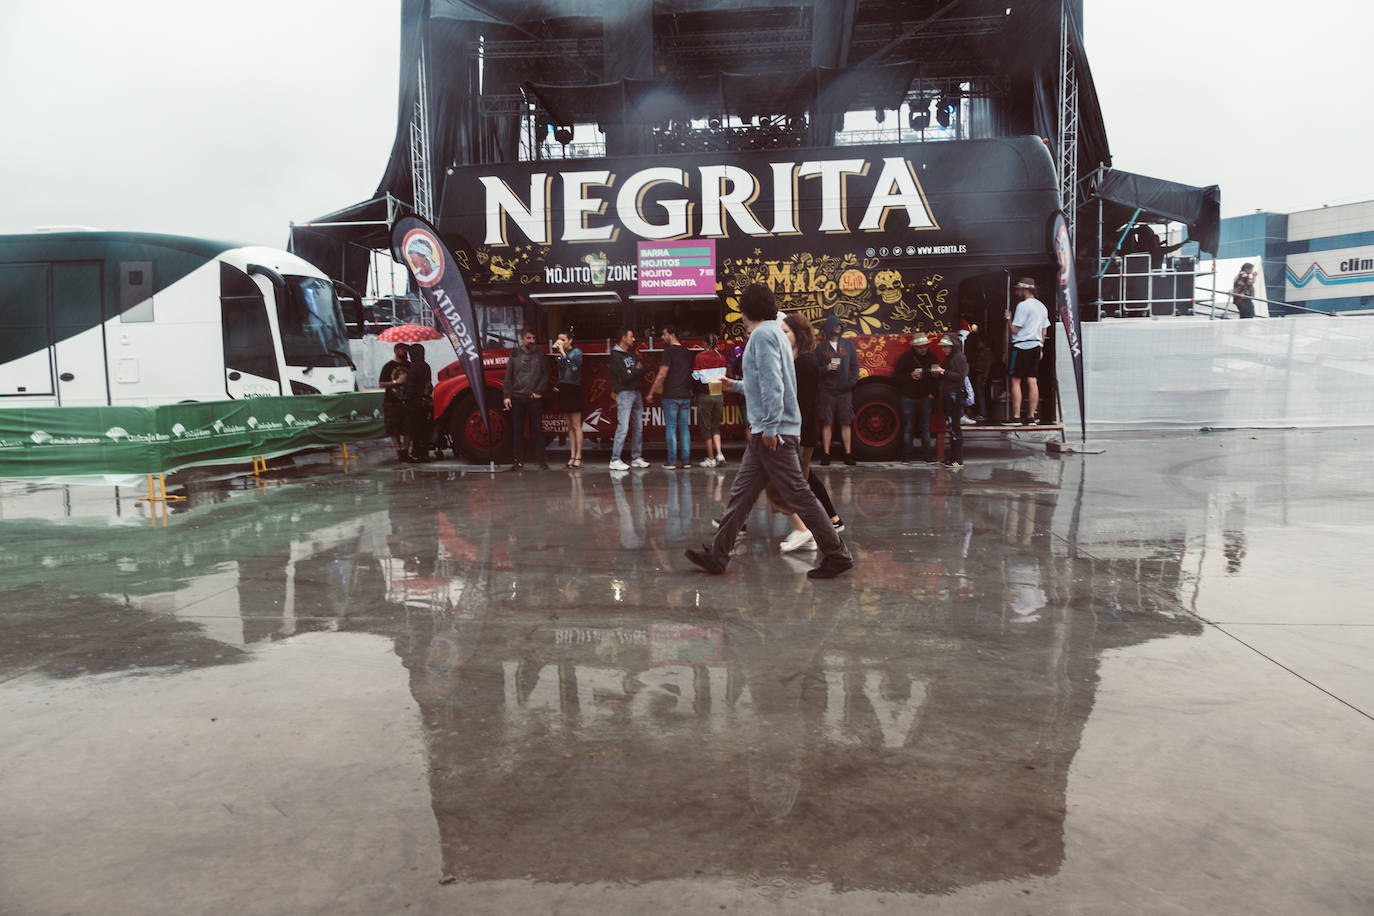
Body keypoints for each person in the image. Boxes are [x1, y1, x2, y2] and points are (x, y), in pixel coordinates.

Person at [685, 284, 853, 580]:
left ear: (745, 309)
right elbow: (767, 381)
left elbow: (774, 384)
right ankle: (717, 554)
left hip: (772, 432)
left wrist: (771, 427)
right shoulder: (775, 332)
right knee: (741, 495)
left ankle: (838, 554)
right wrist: (734, 385)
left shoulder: (762, 335)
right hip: (771, 429)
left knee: (799, 495)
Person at [648, 325, 695, 469]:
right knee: (684, 428)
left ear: (672, 335)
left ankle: (672, 461)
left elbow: (662, 374)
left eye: (664, 334)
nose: (662, 337)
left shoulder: (668, 352)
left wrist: (651, 392)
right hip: (685, 395)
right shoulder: (688, 353)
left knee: (671, 428)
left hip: (670, 395)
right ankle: (686, 461)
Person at [502, 329, 550, 470]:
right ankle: (517, 460)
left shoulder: (540, 354)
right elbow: (508, 376)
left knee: (538, 429)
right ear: (522, 339)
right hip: (517, 397)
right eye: (529, 338)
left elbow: (546, 374)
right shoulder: (515, 354)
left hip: (533, 397)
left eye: (533, 338)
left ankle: (541, 460)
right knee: (517, 430)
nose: (532, 341)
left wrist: (538, 391)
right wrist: (506, 396)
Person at [815, 315, 859, 466]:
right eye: (835, 325)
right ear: (829, 327)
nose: (839, 327)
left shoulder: (848, 345)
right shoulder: (820, 348)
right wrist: (826, 368)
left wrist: (852, 382)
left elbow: (855, 365)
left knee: (846, 422)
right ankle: (826, 454)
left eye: (840, 325)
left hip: (845, 390)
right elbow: (815, 370)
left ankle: (848, 454)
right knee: (827, 422)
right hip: (827, 391)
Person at [1006, 277, 1049, 425]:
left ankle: (1016, 417)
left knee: (1015, 380)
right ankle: (1031, 417)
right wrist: (1041, 348)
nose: (1017, 292)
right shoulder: (1042, 307)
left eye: (1018, 289)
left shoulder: (1023, 306)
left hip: (1021, 345)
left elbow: (1014, 329)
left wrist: (1008, 319)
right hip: (1036, 345)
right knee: (1032, 381)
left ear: (1025, 289)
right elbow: (1044, 331)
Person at [608, 327, 649, 471]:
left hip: (636, 392)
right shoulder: (614, 355)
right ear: (623, 338)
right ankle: (615, 459)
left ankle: (636, 457)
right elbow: (624, 377)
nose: (634, 339)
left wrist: (632, 371)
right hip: (624, 393)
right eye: (631, 337)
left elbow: (642, 370)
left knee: (638, 426)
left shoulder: (631, 353)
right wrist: (634, 371)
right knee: (623, 427)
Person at [893, 334, 938, 463]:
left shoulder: (932, 357)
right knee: (908, 427)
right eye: (920, 347)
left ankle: (927, 455)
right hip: (908, 397)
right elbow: (895, 377)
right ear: (914, 347)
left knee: (925, 427)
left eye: (925, 346)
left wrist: (932, 393)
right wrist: (910, 376)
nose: (923, 349)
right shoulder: (905, 358)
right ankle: (906, 456)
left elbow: (937, 380)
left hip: (925, 397)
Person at [932, 334, 968, 469]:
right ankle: (953, 458)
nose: (943, 350)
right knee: (951, 427)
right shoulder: (950, 358)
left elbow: (960, 377)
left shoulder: (959, 358)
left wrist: (943, 372)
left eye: (946, 347)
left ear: (952, 346)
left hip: (954, 395)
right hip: (948, 395)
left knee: (955, 428)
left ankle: (958, 460)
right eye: (943, 347)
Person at [692, 332, 728, 467]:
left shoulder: (699, 357)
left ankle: (711, 458)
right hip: (718, 395)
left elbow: (696, 377)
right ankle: (719, 454)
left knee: (706, 428)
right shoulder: (722, 357)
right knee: (715, 427)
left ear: (705, 343)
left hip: (705, 396)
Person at [553, 330, 584, 468]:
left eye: (563, 340)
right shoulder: (560, 355)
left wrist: (564, 354)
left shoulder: (577, 352)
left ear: (570, 340)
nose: (560, 342)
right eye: (559, 339)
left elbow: (574, 369)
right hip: (563, 389)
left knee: (577, 425)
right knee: (569, 426)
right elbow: (561, 371)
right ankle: (572, 455)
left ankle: (579, 456)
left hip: (574, 388)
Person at [400, 342, 432, 463]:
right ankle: (423, 453)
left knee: (412, 429)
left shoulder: (413, 369)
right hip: (424, 401)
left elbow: (411, 387)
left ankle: (412, 453)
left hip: (414, 403)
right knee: (423, 429)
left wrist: (405, 399)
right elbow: (428, 384)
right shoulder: (426, 366)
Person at [378, 342, 410, 461]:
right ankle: (399, 451)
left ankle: (406, 451)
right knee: (393, 428)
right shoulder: (388, 366)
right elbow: (381, 384)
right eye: (403, 350)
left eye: (406, 350)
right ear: (396, 350)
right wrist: (396, 382)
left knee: (408, 428)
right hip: (392, 401)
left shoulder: (409, 365)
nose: (405, 352)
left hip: (407, 401)